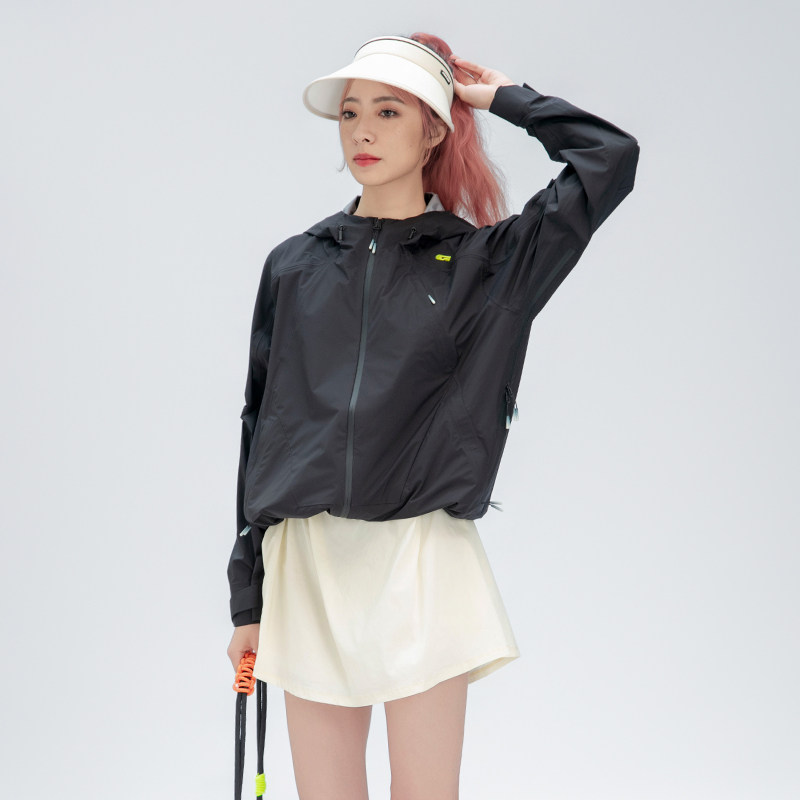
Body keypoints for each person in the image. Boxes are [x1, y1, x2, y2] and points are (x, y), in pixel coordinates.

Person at [226, 32, 639, 800]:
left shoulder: (489, 268)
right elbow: (261, 427)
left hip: (422, 564)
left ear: (434, 131)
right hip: (307, 566)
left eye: (389, 111)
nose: (364, 130)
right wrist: (246, 601)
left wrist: (505, 98)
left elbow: (609, 159)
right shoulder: (295, 265)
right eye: (351, 112)